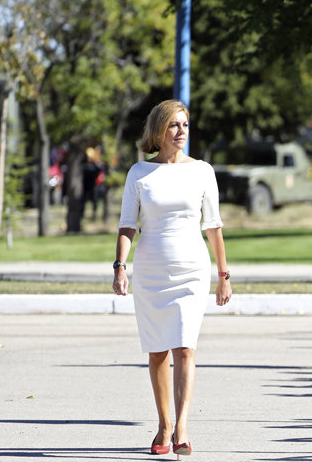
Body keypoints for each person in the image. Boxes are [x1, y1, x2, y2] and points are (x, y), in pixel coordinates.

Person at [113, 100, 232, 457]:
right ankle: (163, 424)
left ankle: (181, 426)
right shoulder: (139, 173)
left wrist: (223, 275)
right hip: (150, 271)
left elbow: (213, 227)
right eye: (174, 126)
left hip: (192, 271)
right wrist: (120, 266)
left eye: (185, 125)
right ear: (159, 131)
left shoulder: (202, 171)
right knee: (157, 352)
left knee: (184, 348)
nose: (182, 132)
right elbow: (127, 225)